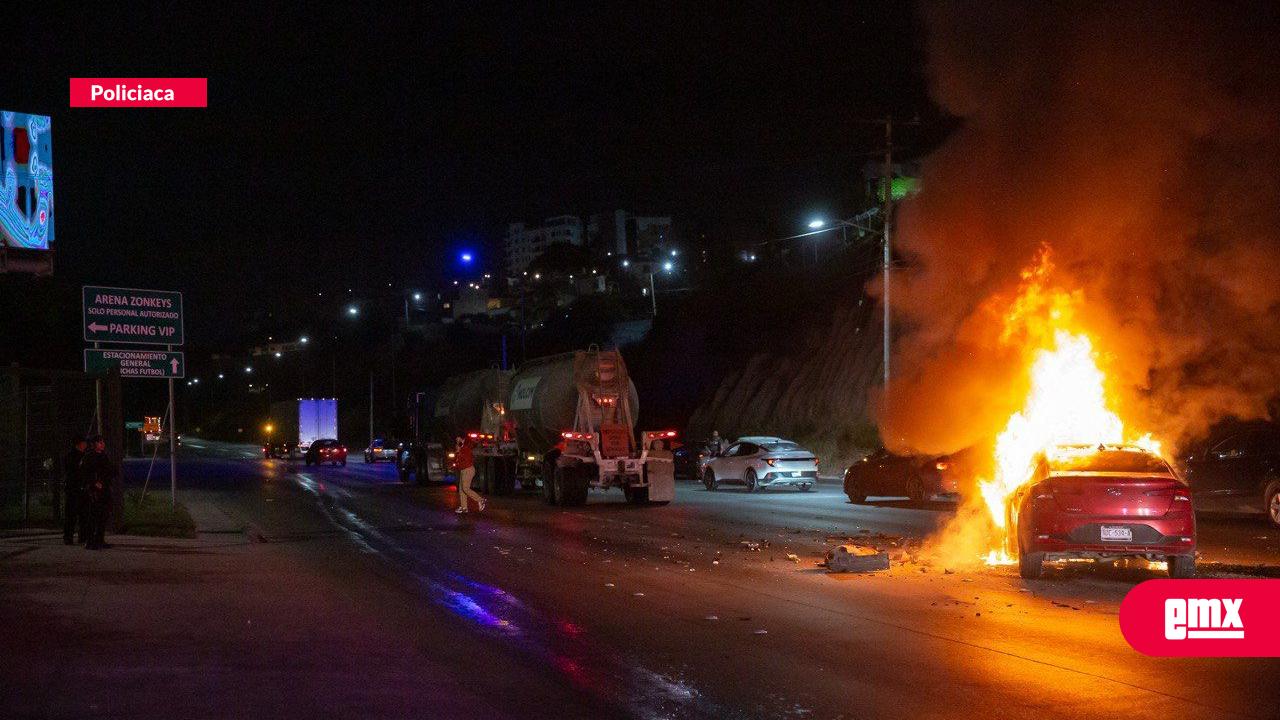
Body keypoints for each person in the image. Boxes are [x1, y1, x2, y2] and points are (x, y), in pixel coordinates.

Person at [79, 435, 116, 550]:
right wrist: (94, 482)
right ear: (94, 444)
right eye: (100, 442)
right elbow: (85, 472)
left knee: (103, 515)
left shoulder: (103, 456)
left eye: (103, 442)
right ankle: (90, 541)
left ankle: (100, 539)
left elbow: (107, 470)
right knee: (93, 516)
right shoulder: (89, 457)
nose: (102, 444)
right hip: (94, 490)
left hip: (104, 488)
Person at [62, 437, 88, 545]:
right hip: (74, 487)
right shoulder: (72, 456)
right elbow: (72, 471)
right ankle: (69, 536)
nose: (85, 445)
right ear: (78, 444)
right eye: (83, 443)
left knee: (83, 514)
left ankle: (82, 536)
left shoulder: (84, 456)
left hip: (80, 487)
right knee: (72, 514)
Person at [453, 435, 485, 514]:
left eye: (459, 439)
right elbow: (458, 460)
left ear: (463, 439)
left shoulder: (466, 447)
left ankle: (480, 500)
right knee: (461, 490)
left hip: (468, 469)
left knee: (465, 488)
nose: (457, 442)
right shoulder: (461, 448)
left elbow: (464, 457)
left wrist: (459, 450)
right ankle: (464, 507)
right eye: (456, 440)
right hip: (463, 470)